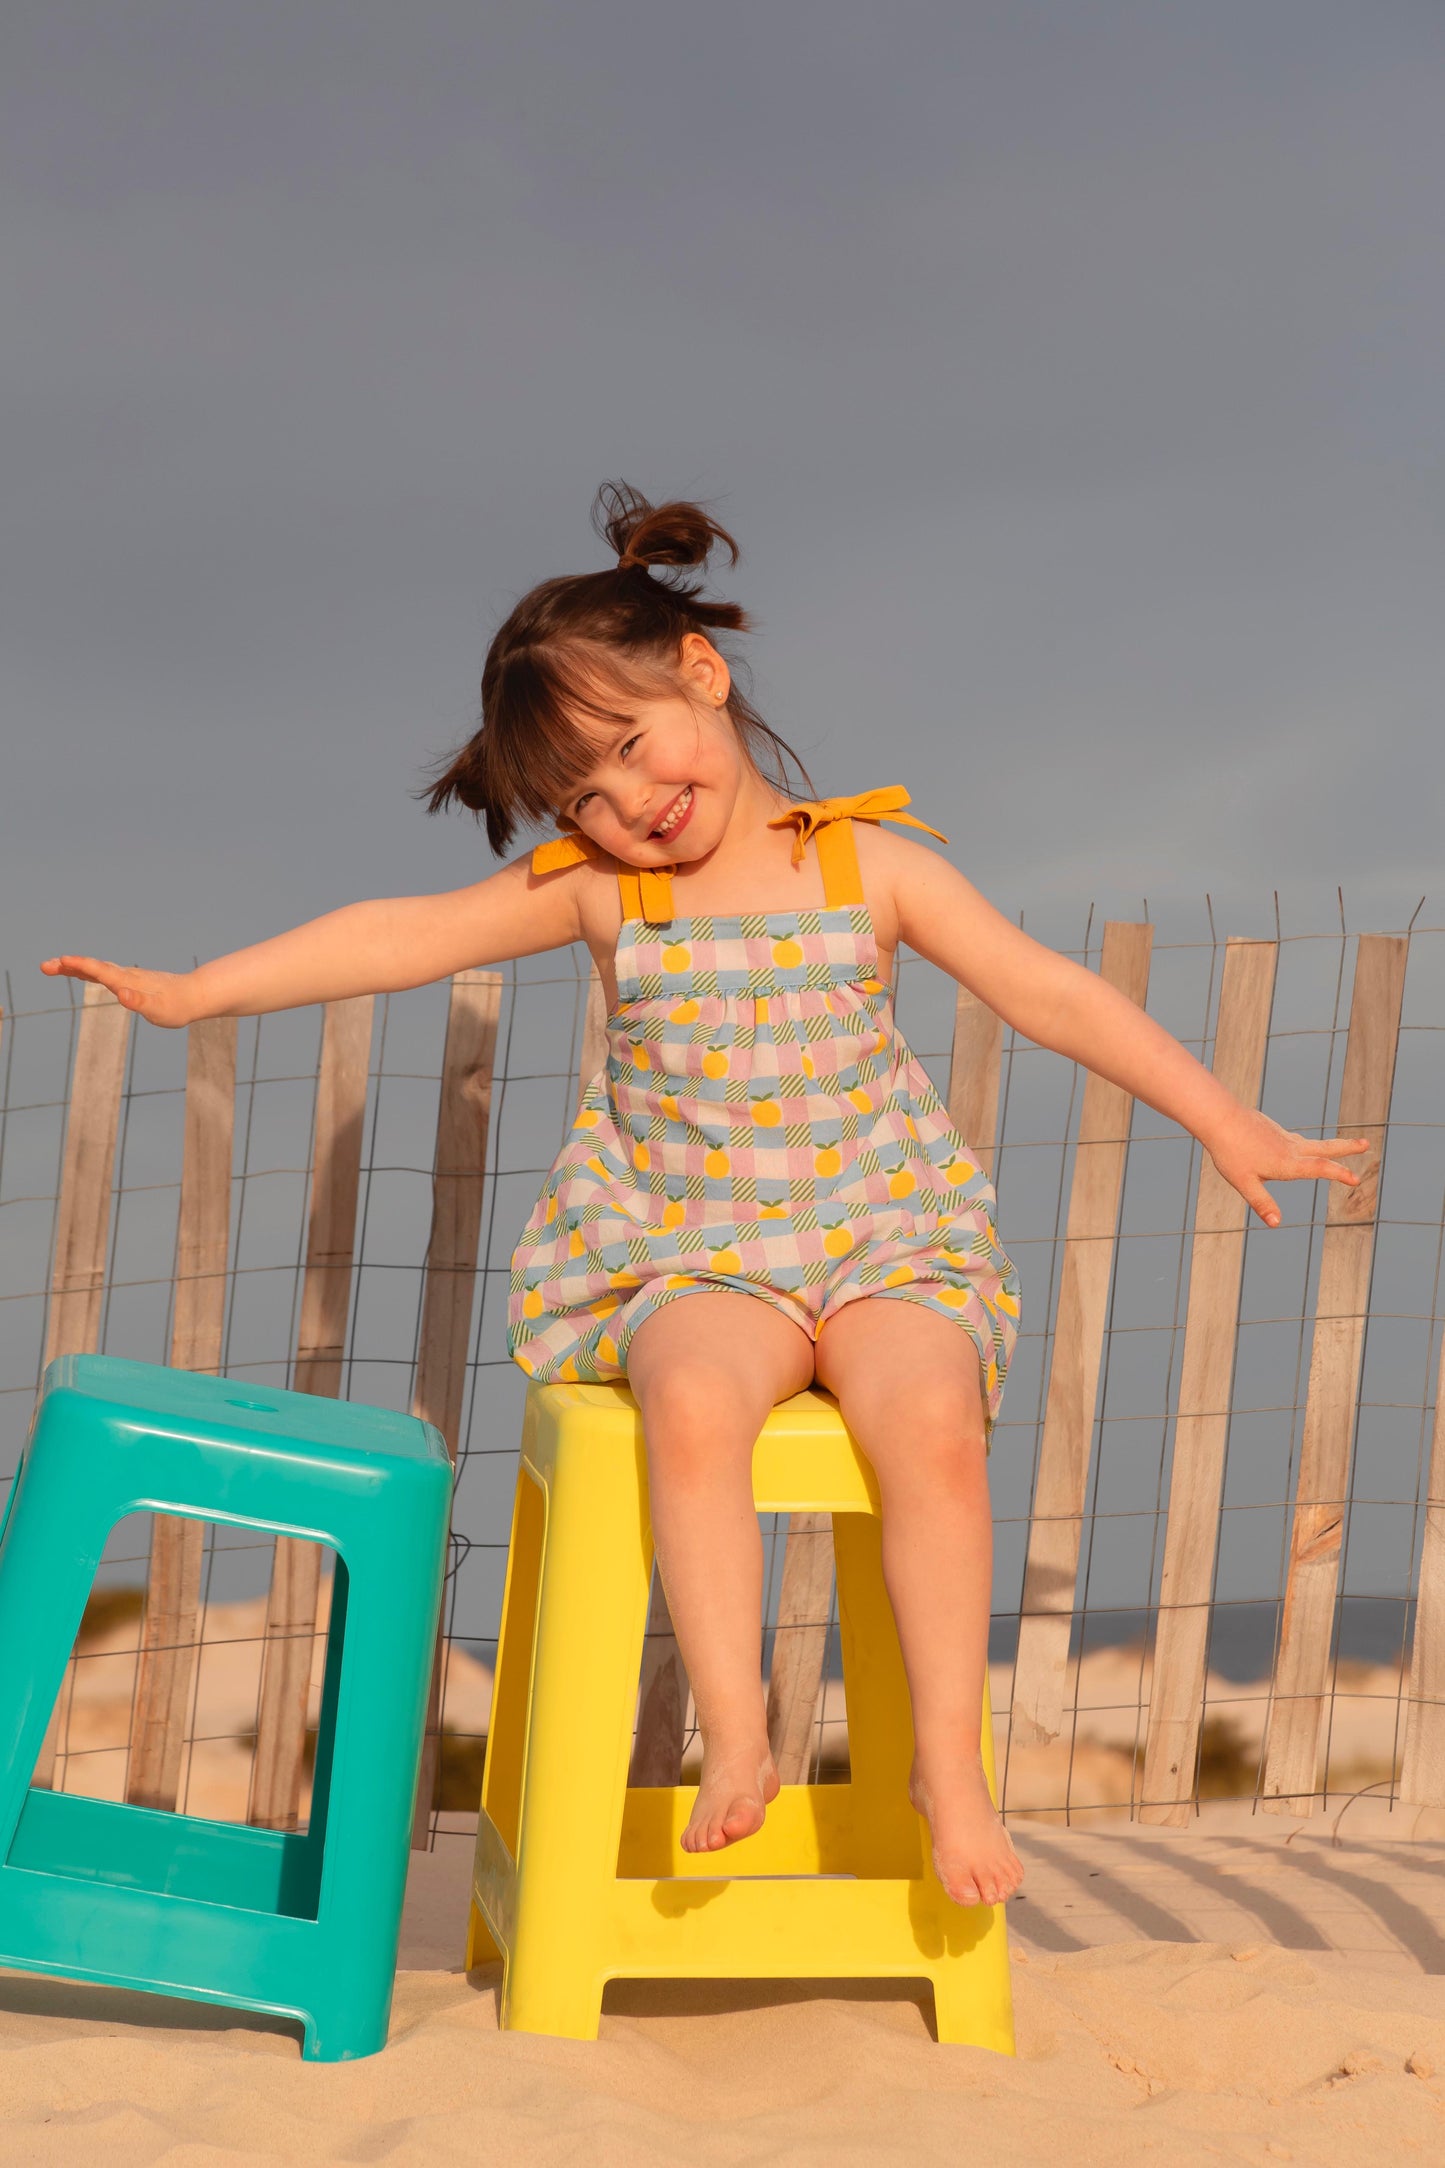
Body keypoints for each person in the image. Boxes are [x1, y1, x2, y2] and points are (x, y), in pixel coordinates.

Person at [42, 483, 1367, 1911]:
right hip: (693, 1248)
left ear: (702, 674)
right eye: (582, 797)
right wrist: (196, 991)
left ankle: (945, 1763)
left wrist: (1219, 1115)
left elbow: (1046, 995)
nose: (626, 804)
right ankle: (734, 1728)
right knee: (685, 1399)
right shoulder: (607, 896)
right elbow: (402, 936)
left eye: (628, 748)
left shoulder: (867, 865)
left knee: (925, 1415)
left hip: (883, 1234)